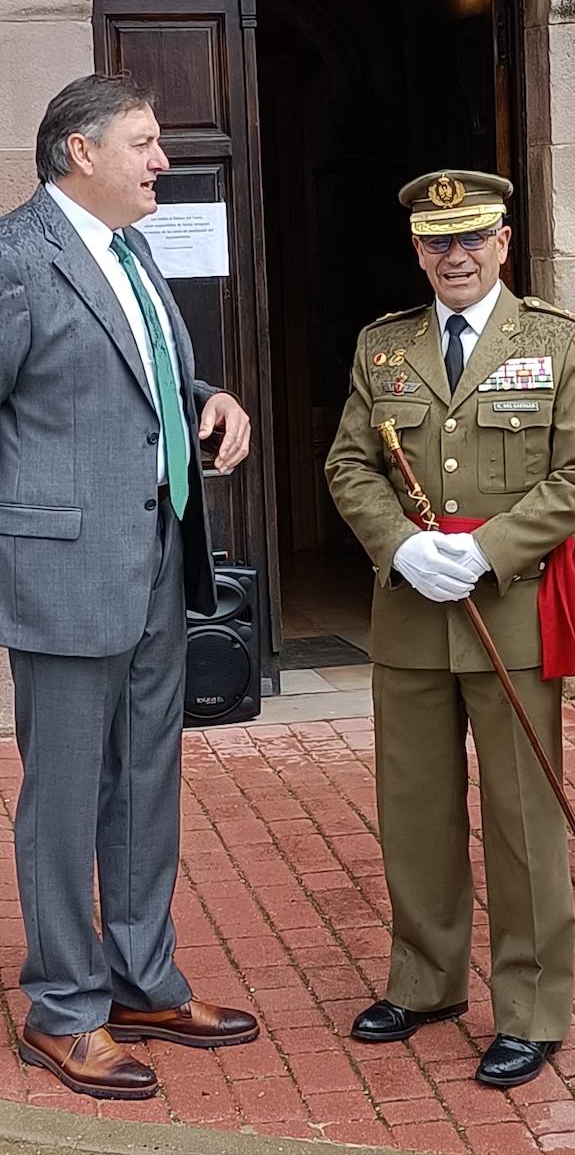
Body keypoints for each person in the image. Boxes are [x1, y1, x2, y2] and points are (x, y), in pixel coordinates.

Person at [324, 170, 575, 1089]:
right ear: (417, 252)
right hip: (410, 617)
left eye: (471, 239)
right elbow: (349, 463)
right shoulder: (384, 348)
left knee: (523, 821)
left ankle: (529, 1009)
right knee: (414, 812)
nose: (454, 257)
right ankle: (424, 981)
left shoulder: (557, 343)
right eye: (436, 243)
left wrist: (485, 548)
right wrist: (399, 547)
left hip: (510, 614)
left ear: (502, 244)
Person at [0, 74, 258, 1101]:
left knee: (147, 781)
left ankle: (140, 978)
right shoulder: (18, 260)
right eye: (144, 143)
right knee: (64, 799)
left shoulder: (131, 249)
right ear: (80, 153)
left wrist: (208, 397)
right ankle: (62, 1010)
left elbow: (135, 373)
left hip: (158, 556)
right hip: (63, 569)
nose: (162, 160)